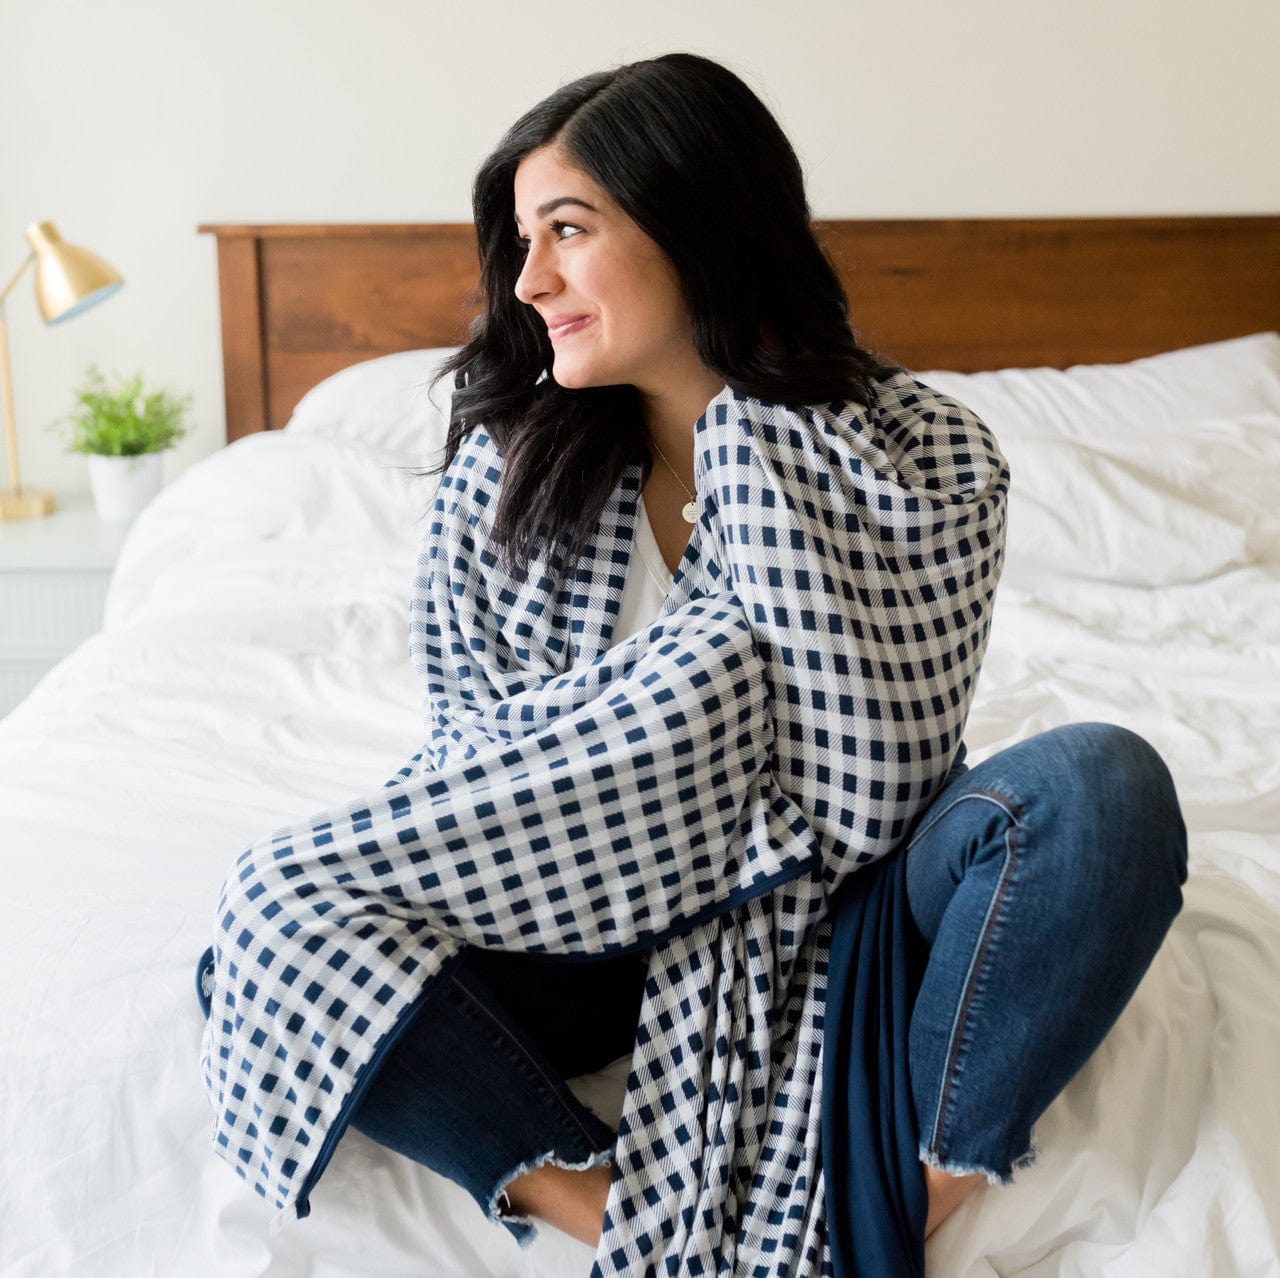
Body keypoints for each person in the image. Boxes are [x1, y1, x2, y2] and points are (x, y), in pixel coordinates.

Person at [196, 53, 1188, 1276]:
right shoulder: (502, 480)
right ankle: (625, 1224)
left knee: (1099, 789)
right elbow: (482, 768)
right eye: (521, 240)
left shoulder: (915, 450)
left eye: (569, 229)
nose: (531, 279)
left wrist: (751, 433)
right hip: (588, 914)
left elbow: (877, 773)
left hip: (861, 897)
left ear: (698, 225)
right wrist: (679, 739)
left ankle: (882, 1210)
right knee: (273, 950)